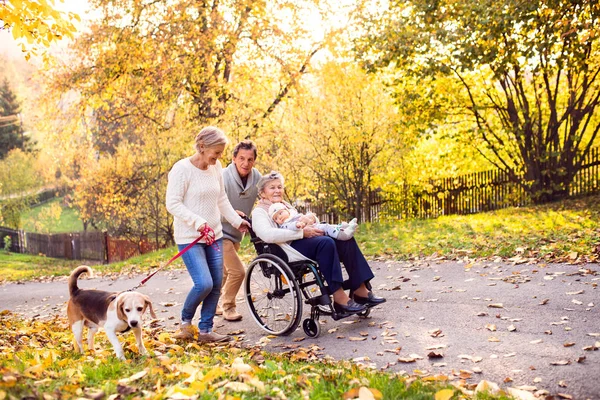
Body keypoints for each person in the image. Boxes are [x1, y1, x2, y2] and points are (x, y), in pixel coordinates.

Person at [251, 171, 386, 314]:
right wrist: (301, 233)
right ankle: (339, 298)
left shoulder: (286, 206)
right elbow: (267, 235)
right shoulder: (260, 212)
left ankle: (360, 290)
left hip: (305, 239)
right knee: (325, 243)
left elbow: (301, 220)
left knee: (345, 239)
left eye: (279, 187)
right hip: (288, 248)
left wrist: (310, 219)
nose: (277, 190)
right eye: (272, 187)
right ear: (262, 193)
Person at [166, 126, 250, 343]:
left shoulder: (216, 167)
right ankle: (185, 322)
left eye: (221, 153)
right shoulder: (182, 169)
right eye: (217, 152)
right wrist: (197, 222)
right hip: (190, 237)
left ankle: (205, 331)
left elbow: (221, 199)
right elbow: (172, 203)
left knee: (216, 281)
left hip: (215, 235)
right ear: (202, 147)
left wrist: (236, 221)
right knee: (204, 283)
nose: (219, 157)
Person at [219, 139, 262, 321]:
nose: (246, 163)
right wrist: (231, 215)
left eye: (250, 159)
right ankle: (228, 307)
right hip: (219, 233)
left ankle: (211, 305)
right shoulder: (222, 176)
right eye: (242, 158)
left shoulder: (257, 178)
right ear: (234, 158)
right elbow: (211, 206)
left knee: (222, 273)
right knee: (238, 271)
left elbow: (266, 196)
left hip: (237, 234)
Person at [268, 202, 358, 241]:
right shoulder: (285, 224)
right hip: (306, 234)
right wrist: (298, 225)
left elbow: (312, 219)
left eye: (280, 213)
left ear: (286, 211)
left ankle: (344, 227)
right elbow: (290, 227)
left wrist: (310, 217)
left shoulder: (293, 214)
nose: (279, 218)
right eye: (276, 218)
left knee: (327, 226)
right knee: (326, 228)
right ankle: (343, 235)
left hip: (313, 225)